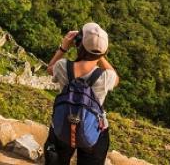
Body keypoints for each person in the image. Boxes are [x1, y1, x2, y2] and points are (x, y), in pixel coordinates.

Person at [45, 22, 120, 165]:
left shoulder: (62, 66)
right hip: (93, 132)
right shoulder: (106, 77)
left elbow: (49, 68)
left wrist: (63, 47)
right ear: (104, 52)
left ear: (78, 43)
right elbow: (116, 78)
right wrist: (99, 55)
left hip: (63, 125)